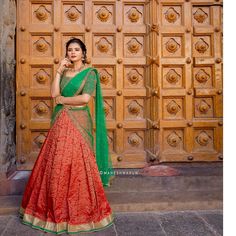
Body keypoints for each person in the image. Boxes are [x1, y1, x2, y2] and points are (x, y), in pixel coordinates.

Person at [18, 38, 115, 234]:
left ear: (83, 53)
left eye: (76, 50)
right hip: (61, 121)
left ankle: (81, 212)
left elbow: (85, 98)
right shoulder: (64, 73)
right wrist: (58, 71)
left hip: (79, 119)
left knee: (77, 162)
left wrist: (63, 100)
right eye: (69, 50)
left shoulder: (90, 73)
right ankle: (54, 209)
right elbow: (54, 95)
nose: (72, 53)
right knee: (57, 162)